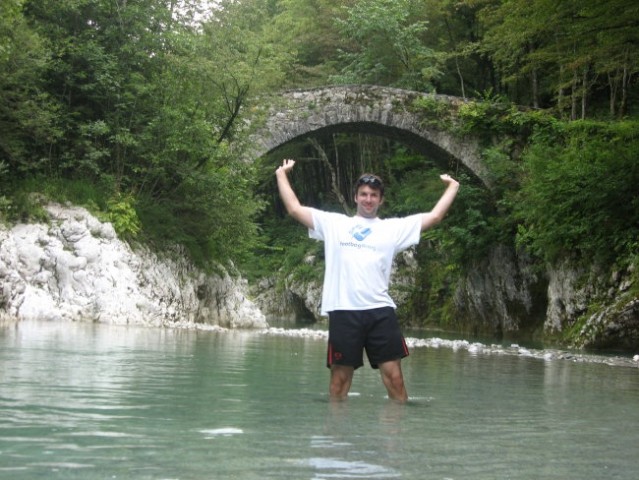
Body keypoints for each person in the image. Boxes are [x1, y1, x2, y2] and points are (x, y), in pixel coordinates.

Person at [275, 158, 459, 403]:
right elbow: (295, 209)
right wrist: (281, 174)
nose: (368, 199)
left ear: (381, 200)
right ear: (355, 197)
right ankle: (337, 434)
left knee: (395, 379)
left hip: (380, 312)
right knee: (339, 381)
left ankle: (395, 437)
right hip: (344, 310)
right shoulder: (335, 224)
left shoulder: (393, 229)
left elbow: (435, 217)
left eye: (373, 195)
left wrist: (453, 187)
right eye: (363, 194)